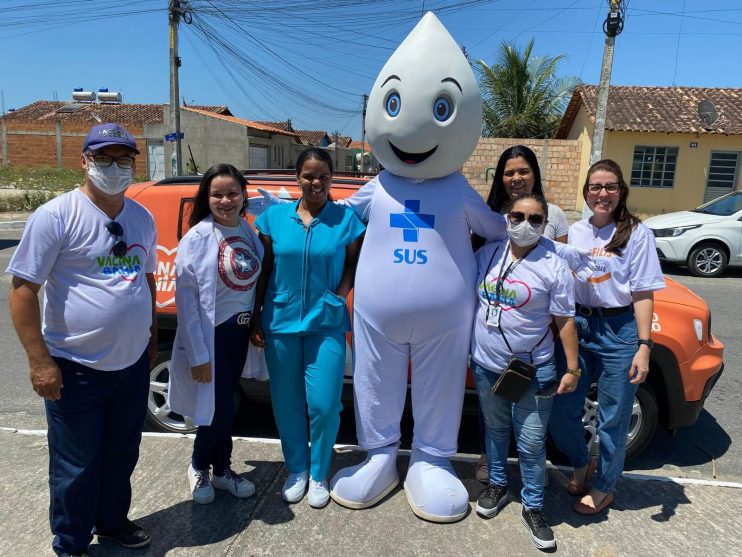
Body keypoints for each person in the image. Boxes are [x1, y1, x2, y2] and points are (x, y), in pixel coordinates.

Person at [7, 123, 157, 556]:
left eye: (123, 159)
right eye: (104, 158)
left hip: (129, 368)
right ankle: (71, 542)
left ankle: (111, 523)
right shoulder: (56, 216)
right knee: (76, 465)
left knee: (121, 454)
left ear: (133, 164)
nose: (114, 167)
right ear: (85, 161)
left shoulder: (141, 218)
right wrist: (40, 362)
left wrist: (148, 337)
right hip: (75, 368)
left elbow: (143, 281)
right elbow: (22, 291)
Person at [250, 148, 365, 508]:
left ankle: (319, 472)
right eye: (308, 176)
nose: (316, 183)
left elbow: (353, 264)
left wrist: (340, 294)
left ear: (331, 179)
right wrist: (256, 315)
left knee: (325, 403)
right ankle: (296, 469)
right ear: (296, 177)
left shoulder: (345, 221)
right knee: (286, 402)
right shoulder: (273, 219)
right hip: (280, 321)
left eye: (323, 176)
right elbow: (265, 269)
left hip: (326, 323)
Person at [548, 159, 665, 515]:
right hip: (578, 329)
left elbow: (644, 292)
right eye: (596, 187)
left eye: (610, 187)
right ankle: (582, 463)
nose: (603, 194)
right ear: (586, 192)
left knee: (613, 417)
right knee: (562, 409)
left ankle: (605, 486)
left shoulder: (637, 234)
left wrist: (644, 346)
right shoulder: (577, 231)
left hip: (619, 330)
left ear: (621, 192)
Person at [471, 193, 579, 550]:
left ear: (545, 224)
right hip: (487, 365)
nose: (525, 224)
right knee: (496, 429)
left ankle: (533, 506)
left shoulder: (554, 265)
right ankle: (498, 485)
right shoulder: (487, 255)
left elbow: (564, 321)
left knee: (532, 442)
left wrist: (573, 367)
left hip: (533, 370)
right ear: (506, 218)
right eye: (518, 216)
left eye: (536, 219)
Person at [167, 163, 263, 504]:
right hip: (211, 337)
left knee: (226, 406)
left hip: (239, 335)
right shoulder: (197, 239)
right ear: (206, 198)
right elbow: (188, 302)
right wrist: (198, 356)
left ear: (243, 196)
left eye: (232, 193)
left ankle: (222, 470)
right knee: (218, 408)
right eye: (217, 194)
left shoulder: (247, 231)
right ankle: (198, 466)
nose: (225, 200)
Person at [473, 144, 569, 482]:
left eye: (523, 171)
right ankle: (490, 459)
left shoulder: (554, 214)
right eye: (510, 172)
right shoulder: (488, 214)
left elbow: (563, 270)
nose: (516, 178)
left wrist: (552, 330)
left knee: (531, 420)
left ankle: (529, 480)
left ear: (535, 174)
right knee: (494, 409)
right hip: (493, 337)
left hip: (537, 335)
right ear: (501, 176)